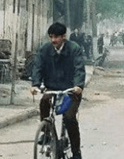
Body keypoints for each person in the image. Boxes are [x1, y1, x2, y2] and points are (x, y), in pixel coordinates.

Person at [30, 22, 86, 159]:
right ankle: (47, 133)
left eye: (57, 37)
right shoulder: (45, 50)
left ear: (64, 37)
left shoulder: (74, 49)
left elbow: (79, 69)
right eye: (51, 37)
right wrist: (35, 84)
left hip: (71, 90)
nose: (54, 40)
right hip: (52, 87)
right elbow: (38, 66)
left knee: (69, 118)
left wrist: (78, 85)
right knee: (44, 101)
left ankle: (76, 152)